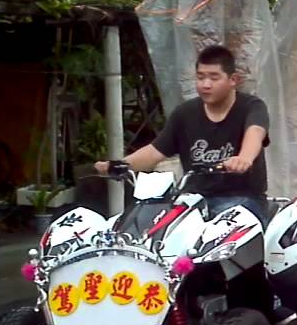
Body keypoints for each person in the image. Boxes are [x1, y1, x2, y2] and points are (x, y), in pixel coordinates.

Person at [95, 44, 271, 221]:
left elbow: (255, 132)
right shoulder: (185, 113)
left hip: (243, 199)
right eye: (200, 77)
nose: (206, 84)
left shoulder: (251, 106)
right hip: (193, 200)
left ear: (233, 80)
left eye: (214, 78)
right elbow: (155, 151)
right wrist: (120, 165)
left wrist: (244, 158)